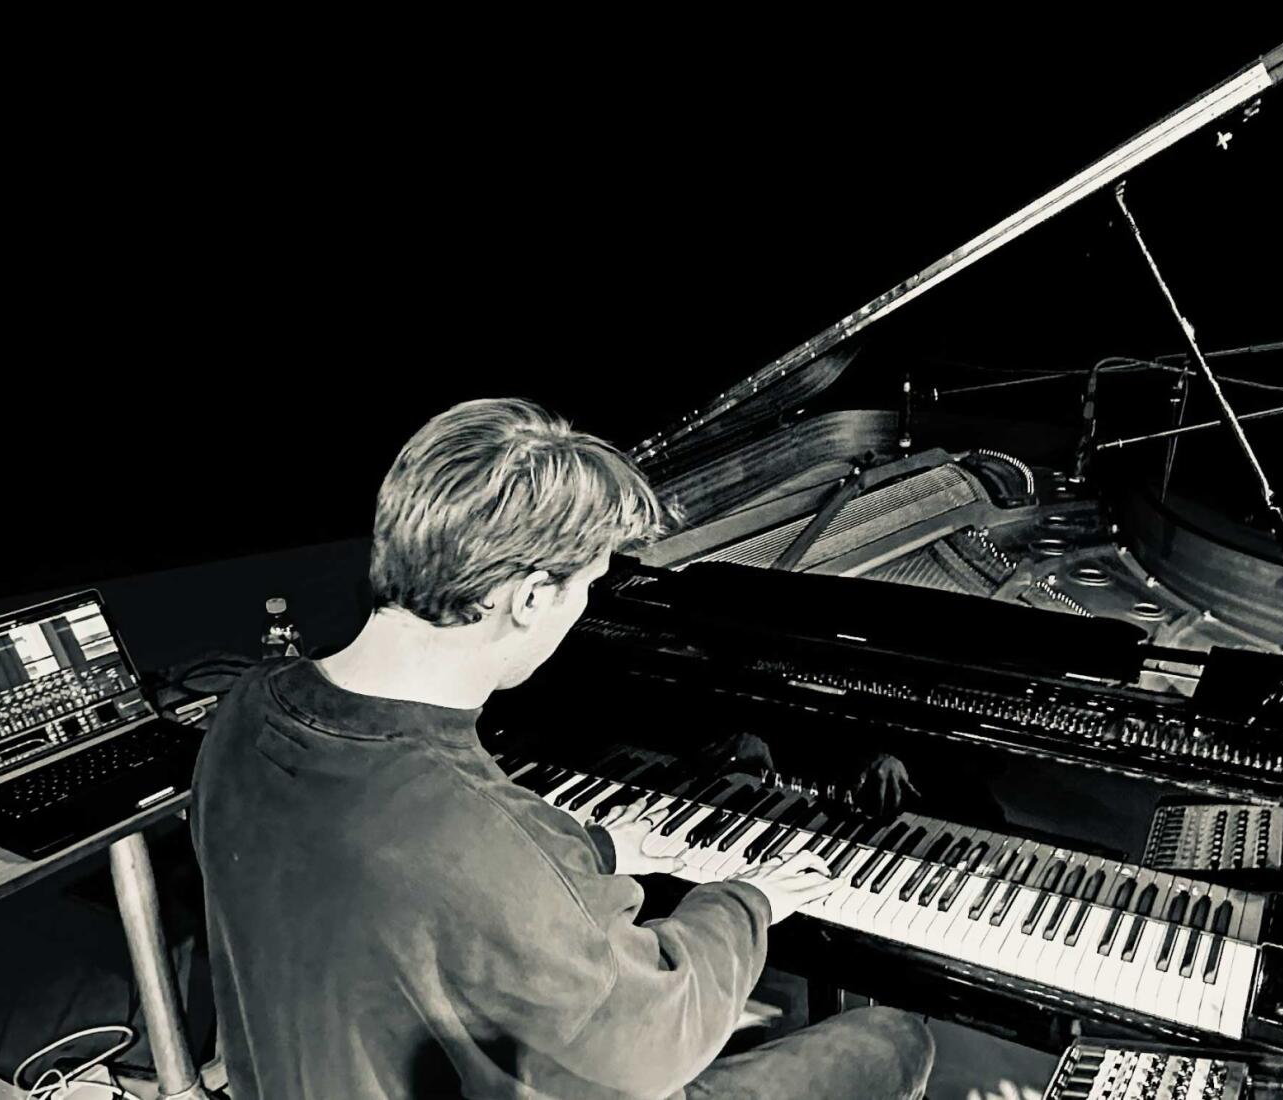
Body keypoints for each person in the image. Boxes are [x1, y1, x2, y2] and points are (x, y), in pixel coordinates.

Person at [190, 398, 935, 1099]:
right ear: (531, 599)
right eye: (590, 587)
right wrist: (748, 901)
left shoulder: (250, 707)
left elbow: (419, 881)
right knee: (893, 1041)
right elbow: (654, 1037)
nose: (583, 611)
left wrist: (593, 849)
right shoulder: (477, 835)